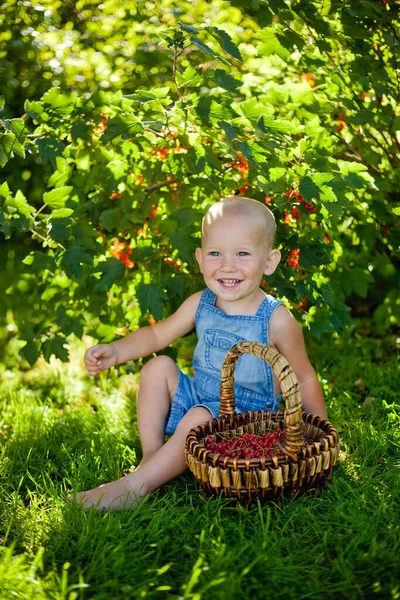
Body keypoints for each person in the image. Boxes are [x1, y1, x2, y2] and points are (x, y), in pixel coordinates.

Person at [70, 196, 327, 510]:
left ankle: (135, 488)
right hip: (200, 397)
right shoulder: (201, 302)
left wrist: (318, 441)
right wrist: (115, 351)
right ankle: (152, 457)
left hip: (245, 422)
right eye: (215, 253)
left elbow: (303, 378)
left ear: (270, 261)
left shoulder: (276, 319)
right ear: (199, 257)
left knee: (198, 417)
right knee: (158, 367)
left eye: (243, 253)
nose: (227, 266)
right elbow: (157, 333)